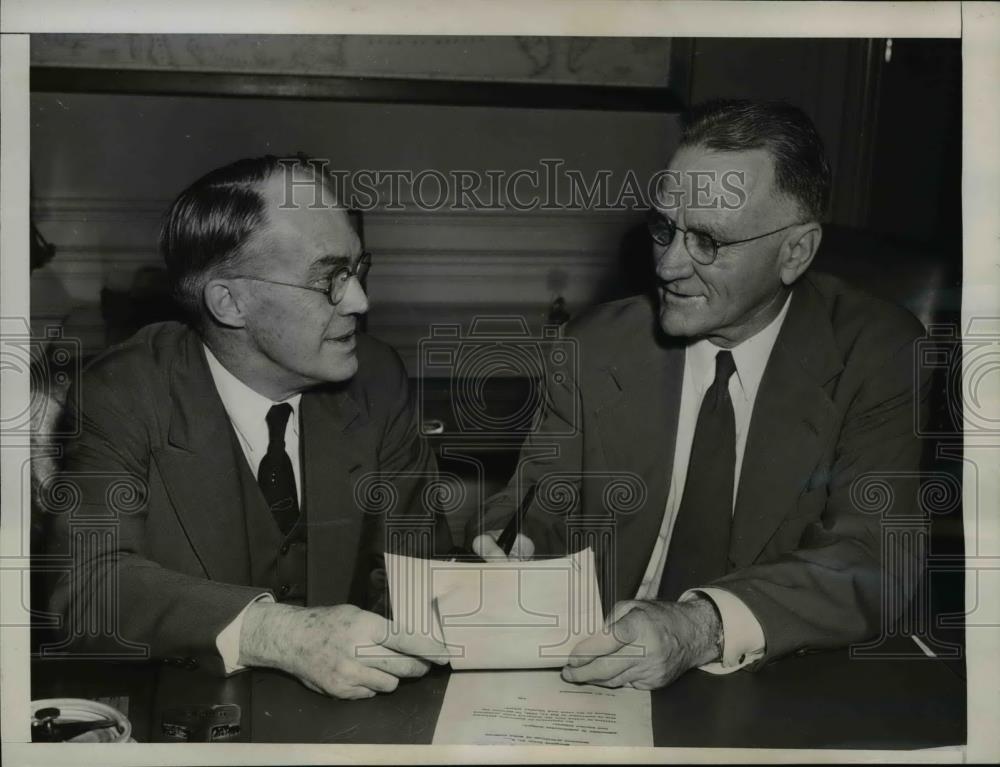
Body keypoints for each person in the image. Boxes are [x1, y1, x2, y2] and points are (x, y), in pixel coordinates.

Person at [471, 100, 929, 690]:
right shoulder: (593, 347)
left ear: (796, 252)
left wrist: (699, 625)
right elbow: (535, 510)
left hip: (775, 684)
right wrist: (511, 554)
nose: (667, 265)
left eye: (707, 240)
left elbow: (874, 560)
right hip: (602, 679)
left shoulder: (876, 353)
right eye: (664, 228)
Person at [47, 156, 453, 699]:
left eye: (358, 269)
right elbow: (85, 590)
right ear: (230, 302)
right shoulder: (124, 390)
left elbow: (417, 569)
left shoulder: (376, 378)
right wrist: (280, 634)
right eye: (329, 278)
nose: (360, 300)